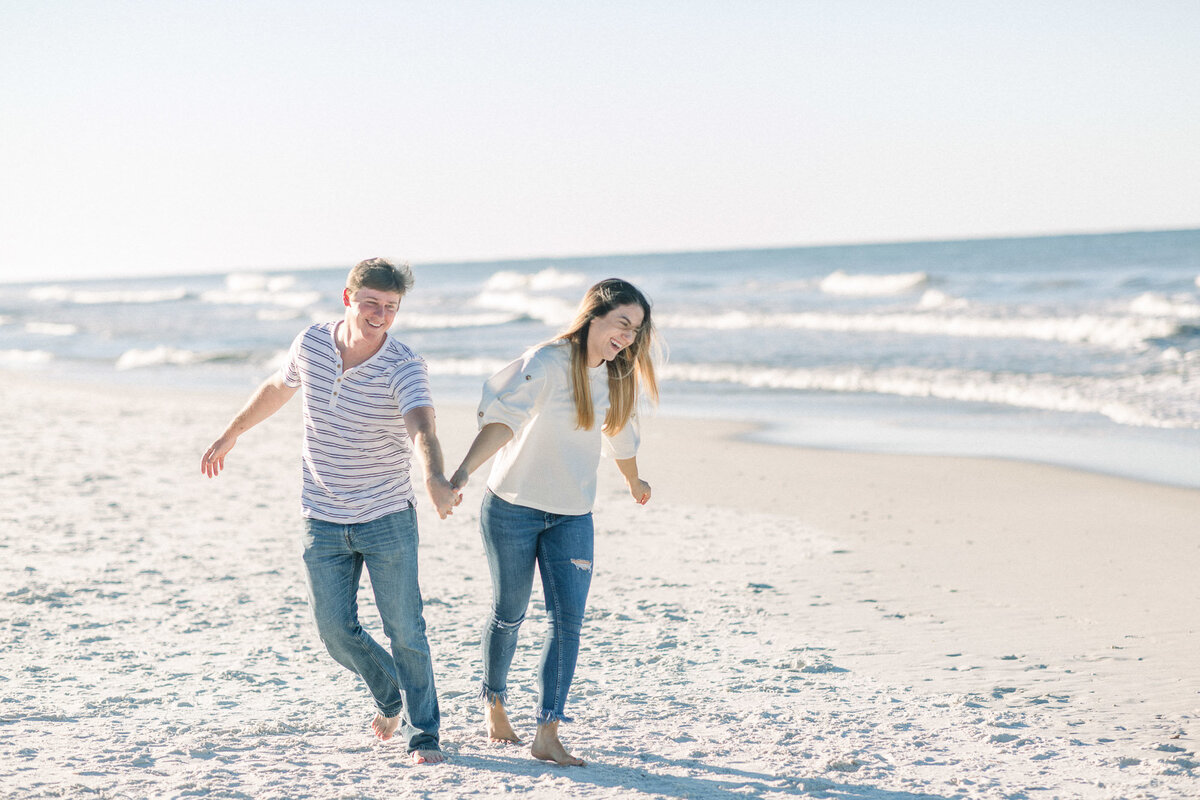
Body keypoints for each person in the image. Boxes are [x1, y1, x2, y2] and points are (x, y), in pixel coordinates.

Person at [200, 258, 458, 765]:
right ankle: (391, 697)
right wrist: (233, 432)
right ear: (348, 298)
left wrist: (432, 476)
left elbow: (422, 425)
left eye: (391, 308)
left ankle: (423, 731)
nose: (380, 315)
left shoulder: (404, 364)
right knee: (335, 632)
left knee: (405, 628)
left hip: (386, 515)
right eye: (371, 304)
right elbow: (279, 386)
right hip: (320, 514)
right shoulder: (312, 343)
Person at [449, 277, 660, 766]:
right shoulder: (545, 363)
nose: (627, 338)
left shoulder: (615, 377)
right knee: (510, 611)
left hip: (572, 515)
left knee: (568, 623)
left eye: (635, 331)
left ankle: (548, 731)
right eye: (621, 324)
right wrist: (461, 474)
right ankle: (494, 700)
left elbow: (620, 437)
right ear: (593, 315)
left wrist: (634, 482)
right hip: (512, 507)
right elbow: (501, 419)